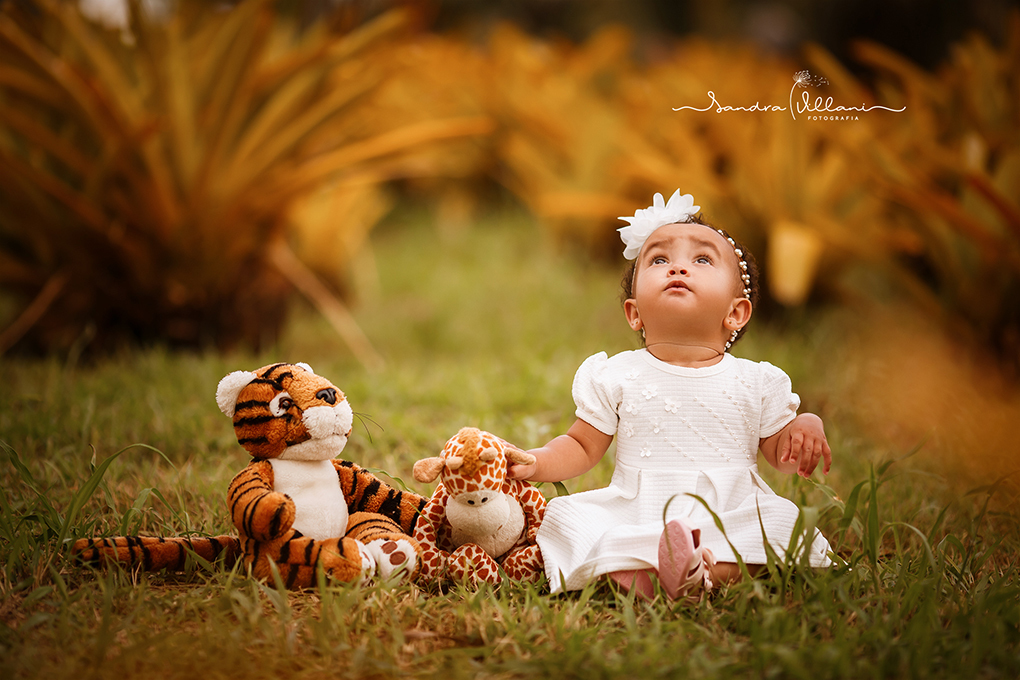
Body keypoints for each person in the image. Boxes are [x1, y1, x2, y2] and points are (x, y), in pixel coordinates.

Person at [508, 190, 834, 600]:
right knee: (572, 519)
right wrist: (533, 462)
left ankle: (704, 571)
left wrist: (804, 427)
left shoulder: (756, 381)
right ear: (635, 313)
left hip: (730, 510)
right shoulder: (617, 374)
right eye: (659, 259)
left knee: (784, 523)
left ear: (736, 312)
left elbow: (779, 457)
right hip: (640, 509)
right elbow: (580, 445)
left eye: (701, 260)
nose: (678, 266)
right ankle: (660, 572)